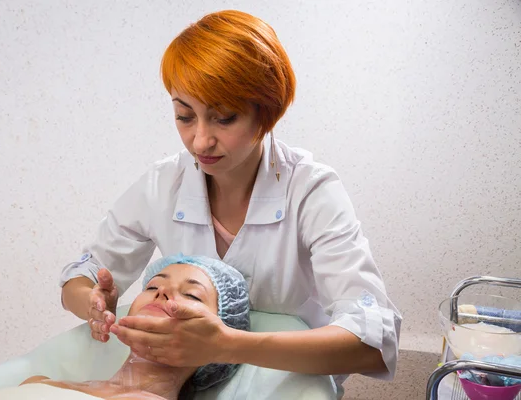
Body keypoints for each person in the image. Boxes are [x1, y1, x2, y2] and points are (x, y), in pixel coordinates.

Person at [59, 9, 402, 392]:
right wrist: (90, 301)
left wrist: (226, 345)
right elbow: (83, 276)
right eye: (184, 116)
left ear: (267, 114)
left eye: (224, 118)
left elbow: (374, 342)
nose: (200, 141)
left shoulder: (310, 191)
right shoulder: (162, 184)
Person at [0, 255, 250, 400]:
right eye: (153, 286)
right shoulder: (38, 382)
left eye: (191, 295)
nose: (163, 292)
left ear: (218, 340)